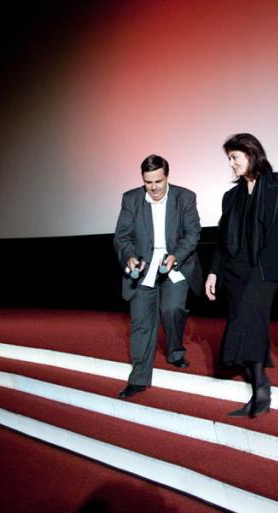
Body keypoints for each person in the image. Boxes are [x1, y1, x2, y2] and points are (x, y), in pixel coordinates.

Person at [205, 133, 278, 417]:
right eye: (229, 160)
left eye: (234, 158)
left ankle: (261, 388)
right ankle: (260, 385)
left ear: (251, 154)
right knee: (245, 319)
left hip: (267, 268)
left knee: (249, 315)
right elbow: (224, 240)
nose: (231, 164)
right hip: (236, 269)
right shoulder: (231, 196)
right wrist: (213, 272)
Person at [114, 154, 202, 398]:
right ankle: (139, 378)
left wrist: (176, 256)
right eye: (148, 182)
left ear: (167, 177)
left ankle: (174, 350)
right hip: (144, 268)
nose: (153, 188)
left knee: (171, 310)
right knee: (141, 322)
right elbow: (122, 237)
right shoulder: (131, 199)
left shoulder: (185, 197)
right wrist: (129, 257)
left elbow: (193, 234)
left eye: (158, 182)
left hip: (175, 264)